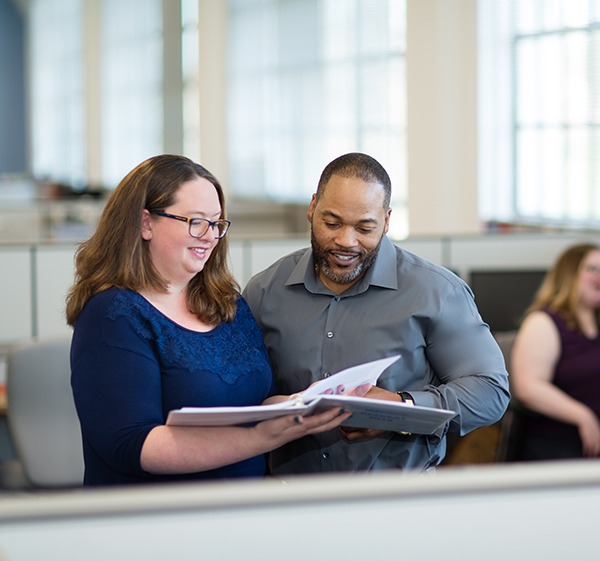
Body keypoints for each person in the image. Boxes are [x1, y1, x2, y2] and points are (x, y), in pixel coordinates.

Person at [66, 154, 351, 486]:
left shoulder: (226, 304)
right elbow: (134, 445)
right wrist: (263, 438)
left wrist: (302, 404)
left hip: (238, 513)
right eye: (196, 221)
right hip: (154, 520)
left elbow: (259, 401)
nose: (210, 236)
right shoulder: (112, 315)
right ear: (145, 223)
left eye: (216, 223)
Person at [243, 152, 510, 475]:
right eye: (332, 223)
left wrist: (400, 408)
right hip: (289, 498)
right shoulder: (265, 291)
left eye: (365, 228)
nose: (346, 241)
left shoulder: (436, 292)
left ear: (386, 221)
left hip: (396, 503)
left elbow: (490, 392)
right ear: (312, 208)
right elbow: (242, 396)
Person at [510, 243, 600, 461]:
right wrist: (584, 416)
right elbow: (528, 387)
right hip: (559, 447)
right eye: (592, 269)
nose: (599, 276)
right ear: (568, 275)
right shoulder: (543, 321)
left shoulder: (596, 322)